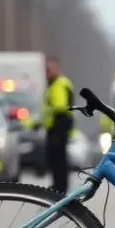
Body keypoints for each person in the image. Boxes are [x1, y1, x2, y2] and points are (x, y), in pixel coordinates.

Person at [42, 56, 75, 193]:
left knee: (58, 160)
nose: (47, 73)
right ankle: (58, 186)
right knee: (55, 159)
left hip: (59, 126)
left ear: (57, 69)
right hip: (55, 126)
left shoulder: (59, 84)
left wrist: (56, 126)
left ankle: (60, 187)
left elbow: (60, 107)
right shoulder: (54, 84)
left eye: (49, 70)